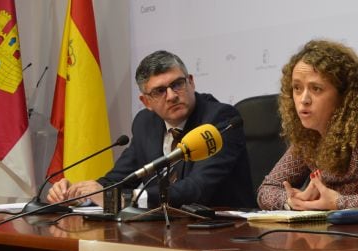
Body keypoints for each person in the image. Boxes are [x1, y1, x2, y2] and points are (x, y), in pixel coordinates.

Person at [47, 50, 256, 209]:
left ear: (191, 82)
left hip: (222, 234)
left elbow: (197, 189)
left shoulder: (219, 120)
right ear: (146, 101)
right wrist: (81, 195)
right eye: (159, 91)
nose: (172, 95)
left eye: (177, 84)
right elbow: (118, 179)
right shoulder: (145, 123)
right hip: (163, 231)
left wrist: (129, 199)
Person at [257, 40, 358, 212]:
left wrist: (337, 203)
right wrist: (294, 201)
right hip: (332, 234)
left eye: (316, 89)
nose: (303, 99)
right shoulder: (308, 138)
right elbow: (267, 189)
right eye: (297, 88)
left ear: (344, 96)